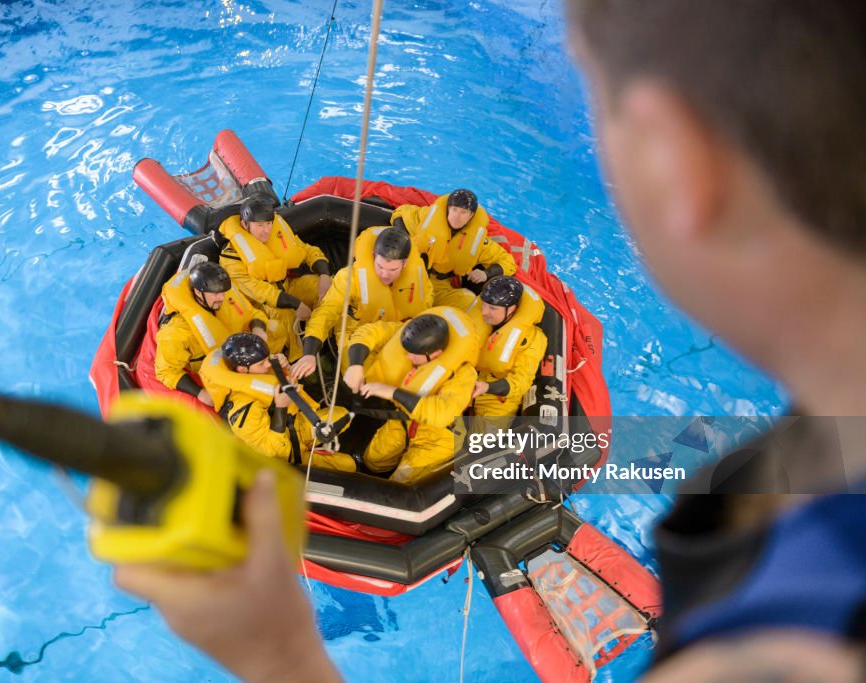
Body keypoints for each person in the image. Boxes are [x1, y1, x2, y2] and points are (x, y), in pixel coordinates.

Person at [117, 1, 866, 680]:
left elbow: (438, 385)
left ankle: (511, 513)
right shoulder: (326, 311)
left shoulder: (453, 334)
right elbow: (335, 324)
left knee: (405, 453)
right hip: (339, 396)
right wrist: (330, 362)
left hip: (438, 434)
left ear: (683, 159)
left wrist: (282, 657)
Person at [343, 309, 480, 483]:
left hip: (436, 438)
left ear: (436, 354)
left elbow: (442, 415)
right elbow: (368, 331)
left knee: (400, 482)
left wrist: (391, 392)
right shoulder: (410, 339)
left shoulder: (463, 373)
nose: (407, 356)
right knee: (373, 460)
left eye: (414, 355)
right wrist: (355, 364)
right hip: (404, 420)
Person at [290, 226, 433, 381]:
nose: (385, 275)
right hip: (355, 332)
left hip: (400, 330)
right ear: (373, 256)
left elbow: (427, 301)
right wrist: (309, 353)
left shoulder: (417, 274)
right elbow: (325, 313)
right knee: (361, 375)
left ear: (405, 263)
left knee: (411, 374)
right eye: (380, 266)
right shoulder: (349, 277)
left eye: (393, 269)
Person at [199, 333, 355, 472]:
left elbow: (290, 387)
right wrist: (281, 407)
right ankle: (311, 455)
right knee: (348, 465)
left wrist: (285, 368)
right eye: (262, 363)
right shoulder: (241, 411)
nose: (268, 364)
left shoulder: (259, 373)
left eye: (267, 360)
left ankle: (313, 446)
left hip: (294, 425)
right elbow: (272, 451)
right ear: (241, 370)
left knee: (342, 414)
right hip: (285, 452)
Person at [218, 195, 332, 359]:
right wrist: (295, 303)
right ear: (244, 224)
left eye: (269, 224)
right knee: (286, 315)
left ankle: (326, 343)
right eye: (259, 225)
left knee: (326, 289)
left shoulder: (277, 236)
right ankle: (298, 360)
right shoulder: (230, 258)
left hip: (288, 285)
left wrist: (324, 275)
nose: (266, 230)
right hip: (261, 304)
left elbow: (306, 250)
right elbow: (259, 292)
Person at [154, 262, 269, 405]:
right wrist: (200, 393)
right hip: (219, 371)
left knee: (276, 329)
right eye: (215, 294)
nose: (221, 297)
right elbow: (166, 371)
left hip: (248, 355)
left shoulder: (225, 297)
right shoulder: (176, 332)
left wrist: (258, 329)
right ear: (197, 292)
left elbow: (253, 313)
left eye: (222, 292)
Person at [391, 189, 517, 309]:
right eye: (454, 210)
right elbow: (400, 214)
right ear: (448, 209)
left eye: (463, 212)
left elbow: (508, 262)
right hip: (411, 272)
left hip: (440, 286)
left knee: (470, 302)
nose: (457, 216)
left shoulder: (477, 242)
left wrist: (485, 274)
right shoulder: (426, 218)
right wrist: (405, 245)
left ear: (471, 215)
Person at [470, 276, 548, 417]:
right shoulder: (482, 320)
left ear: (511, 309)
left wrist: (487, 387)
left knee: (482, 439)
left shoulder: (534, 340)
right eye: (484, 305)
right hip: (471, 376)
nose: (484, 312)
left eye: (492, 308)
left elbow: (521, 380)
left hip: (499, 397)